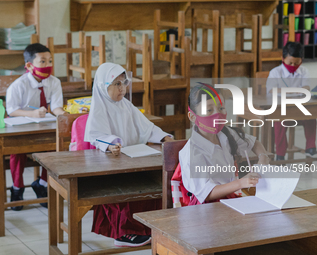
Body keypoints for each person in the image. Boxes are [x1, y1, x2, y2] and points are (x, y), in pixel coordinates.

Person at [84, 62, 173, 247]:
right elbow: (95, 136)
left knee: (157, 180)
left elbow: (147, 128)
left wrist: (164, 137)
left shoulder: (126, 105)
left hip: (133, 158)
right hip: (111, 163)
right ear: (103, 86)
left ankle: (149, 227)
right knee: (124, 188)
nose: (122, 88)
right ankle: (124, 232)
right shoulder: (100, 106)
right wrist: (110, 144)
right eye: (116, 84)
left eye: (124, 83)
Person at [179, 84, 268, 205]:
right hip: (206, 208)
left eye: (221, 108)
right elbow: (208, 193)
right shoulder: (192, 152)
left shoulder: (226, 134)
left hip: (231, 199)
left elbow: (254, 143)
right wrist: (241, 183)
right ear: (193, 117)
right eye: (209, 110)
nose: (217, 114)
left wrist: (263, 157)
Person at [6, 43, 66, 211]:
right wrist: (31, 114)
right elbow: (11, 110)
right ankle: (17, 188)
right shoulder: (19, 85)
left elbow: (55, 106)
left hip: (44, 126)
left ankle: (42, 184)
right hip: (21, 128)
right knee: (17, 152)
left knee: (53, 149)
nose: (48, 65)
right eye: (43, 61)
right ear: (29, 65)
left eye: (50, 61)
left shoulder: (54, 82)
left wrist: (63, 115)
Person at [266, 41, 317, 161]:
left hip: (297, 110)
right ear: (283, 58)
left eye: (296, 63)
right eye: (290, 62)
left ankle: (311, 148)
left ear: (301, 60)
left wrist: (286, 91)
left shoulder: (304, 71)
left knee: (311, 116)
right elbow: (272, 91)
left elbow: (306, 89)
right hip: (281, 110)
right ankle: (280, 155)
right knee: (279, 120)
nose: (293, 65)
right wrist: (295, 91)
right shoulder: (275, 72)